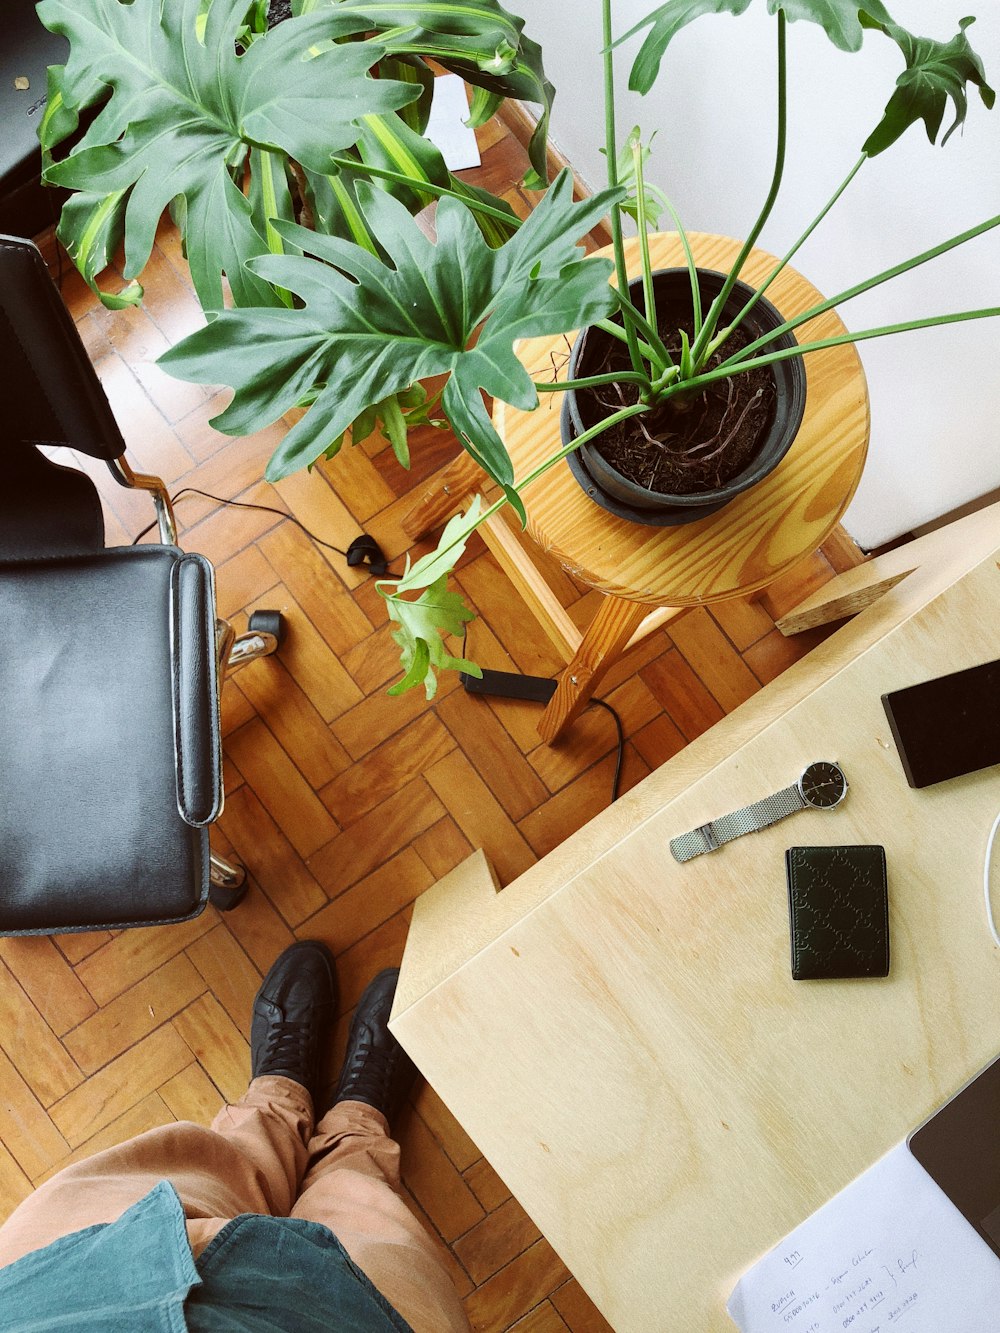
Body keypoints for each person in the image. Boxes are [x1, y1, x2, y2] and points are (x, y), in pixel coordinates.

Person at [0, 942, 472, 1332]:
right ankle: (356, 1128)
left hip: (63, 1293)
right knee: (363, 1219)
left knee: (214, 1170)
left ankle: (279, 1103)